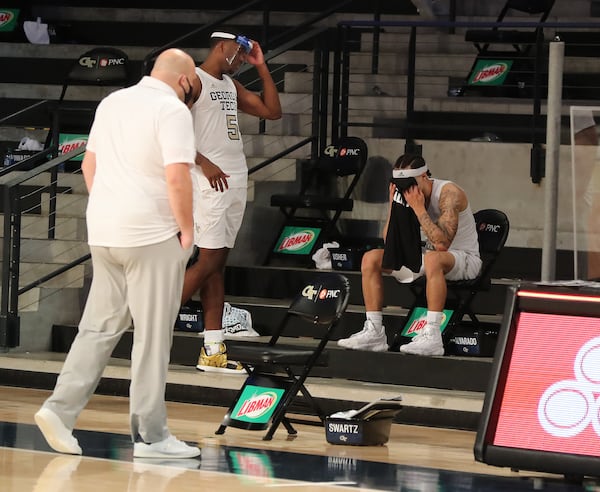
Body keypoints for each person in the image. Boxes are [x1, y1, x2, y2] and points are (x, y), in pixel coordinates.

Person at [34, 48, 201, 458]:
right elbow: (177, 176)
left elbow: (89, 166)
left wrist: (114, 206)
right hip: (151, 235)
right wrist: (188, 231)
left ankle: (59, 410)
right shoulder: (172, 111)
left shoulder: (113, 102)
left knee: (97, 329)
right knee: (152, 337)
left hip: (105, 230)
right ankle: (151, 436)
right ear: (183, 80)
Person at [181, 30, 282, 373]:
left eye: (244, 56)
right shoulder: (194, 79)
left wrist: (262, 67)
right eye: (238, 54)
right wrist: (202, 161)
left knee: (216, 266)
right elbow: (170, 128)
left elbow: (272, 111)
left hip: (234, 180)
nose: (240, 61)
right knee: (208, 262)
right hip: (209, 182)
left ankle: (212, 349)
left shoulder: (229, 84)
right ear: (221, 46)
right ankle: (153, 322)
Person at [337, 153, 482, 356]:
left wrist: (418, 208)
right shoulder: (403, 194)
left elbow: (441, 244)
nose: (406, 189)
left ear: (424, 176)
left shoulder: (449, 193)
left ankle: (432, 335)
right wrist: (392, 206)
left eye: (409, 183)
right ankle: (374, 332)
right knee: (371, 258)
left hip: (463, 258)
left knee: (432, 258)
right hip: (425, 255)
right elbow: (389, 242)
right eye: (400, 184)